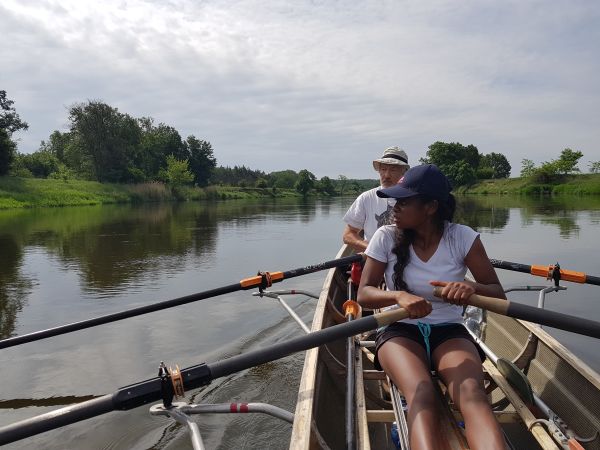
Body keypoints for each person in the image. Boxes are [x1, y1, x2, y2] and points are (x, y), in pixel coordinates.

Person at [357, 164, 507, 450]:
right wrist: (398, 297)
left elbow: (497, 294)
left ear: (430, 207)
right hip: (400, 329)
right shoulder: (385, 236)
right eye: (394, 201)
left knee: (473, 394)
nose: (394, 208)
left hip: (449, 330)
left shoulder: (463, 237)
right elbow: (364, 294)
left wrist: (470, 287)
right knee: (421, 392)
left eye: (403, 202)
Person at [342, 146, 410, 253]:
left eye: (393, 170)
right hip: (373, 259)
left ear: (404, 172)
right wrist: (373, 248)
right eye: (383, 169)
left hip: (406, 258)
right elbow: (348, 235)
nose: (386, 175)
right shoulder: (366, 198)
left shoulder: (414, 199)